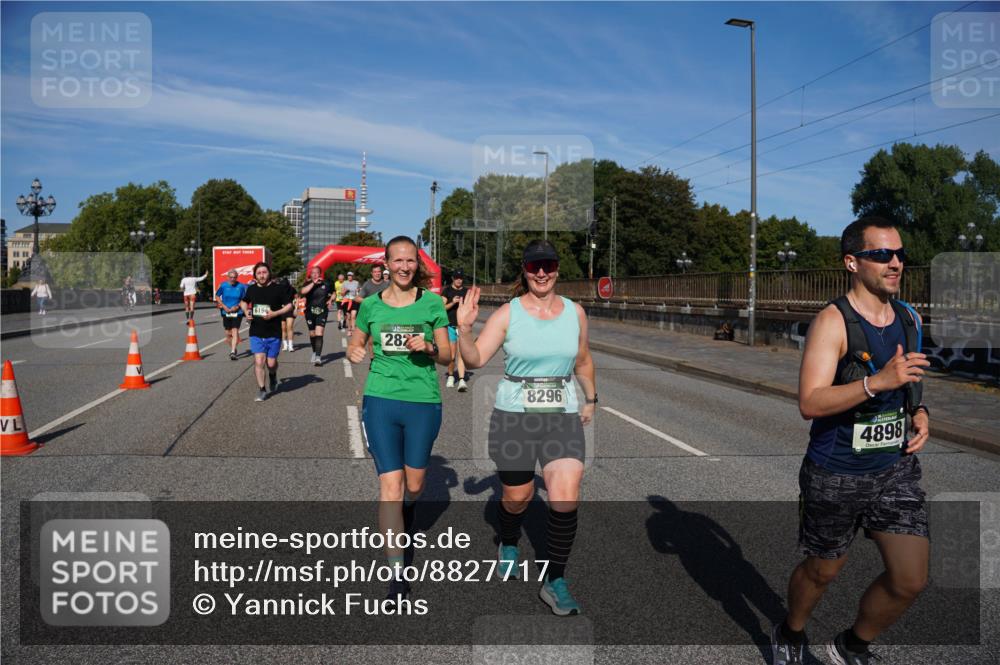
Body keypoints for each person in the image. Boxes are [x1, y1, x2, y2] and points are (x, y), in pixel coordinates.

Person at [771, 216, 931, 665]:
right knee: (823, 571)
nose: (895, 262)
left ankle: (851, 646)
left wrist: (919, 412)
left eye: (899, 254)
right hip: (836, 472)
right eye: (882, 255)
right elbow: (811, 402)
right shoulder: (832, 322)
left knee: (909, 579)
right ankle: (791, 630)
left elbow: (909, 382)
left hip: (895, 469)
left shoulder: (909, 316)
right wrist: (875, 383)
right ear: (852, 262)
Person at [456, 239, 596, 616]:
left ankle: (555, 580)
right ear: (525, 270)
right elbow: (476, 359)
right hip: (514, 416)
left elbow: (582, 359)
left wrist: (591, 397)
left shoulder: (576, 313)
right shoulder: (508, 313)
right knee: (516, 497)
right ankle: (508, 540)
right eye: (534, 266)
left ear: (557, 268)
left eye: (547, 264)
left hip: (562, 416)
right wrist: (465, 331)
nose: (541, 272)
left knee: (566, 494)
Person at [347, 236, 451, 606]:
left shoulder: (433, 303)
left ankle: (411, 510)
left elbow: (448, 357)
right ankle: (396, 576)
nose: (404, 267)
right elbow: (355, 343)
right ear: (386, 264)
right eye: (397, 261)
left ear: (417, 264)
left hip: (423, 402)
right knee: (390, 487)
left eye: (410, 261)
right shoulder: (371, 306)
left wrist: (430, 347)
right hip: (381, 401)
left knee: (415, 486)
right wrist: (355, 350)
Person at [240, 263, 293, 402]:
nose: (262, 275)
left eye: (264, 272)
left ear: (269, 273)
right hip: (256, 331)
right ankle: (262, 389)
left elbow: (289, 305)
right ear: (255, 276)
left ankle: (273, 375)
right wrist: (246, 312)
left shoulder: (278, 289)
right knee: (259, 361)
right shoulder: (251, 289)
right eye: (259, 273)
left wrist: (275, 313)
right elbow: (243, 302)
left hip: (274, 331)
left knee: (271, 363)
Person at [300, 266, 336, 366]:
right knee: (312, 334)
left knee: (319, 332)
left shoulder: (326, 284)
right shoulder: (308, 283)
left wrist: (331, 300)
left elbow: (333, 293)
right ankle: (314, 352)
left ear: (320, 274)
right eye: (313, 273)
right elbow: (302, 292)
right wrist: (313, 283)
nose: (315, 275)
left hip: (322, 311)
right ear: (310, 275)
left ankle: (318, 358)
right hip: (309, 312)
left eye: (317, 273)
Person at [441, 269, 469, 391]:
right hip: (450, 326)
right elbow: (441, 308)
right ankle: (451, 376)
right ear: (453, 278)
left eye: (461, 278)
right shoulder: (447, 290)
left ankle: (462, 380)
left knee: (461, 354)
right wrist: (453, 302)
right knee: (452, 355)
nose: (459, 280)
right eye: (457, 277)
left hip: (462, 327)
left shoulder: (466, 291)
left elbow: (470, 307)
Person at [215, 269, 248, 360]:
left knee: (235, 330)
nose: (233, 279)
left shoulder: (240, 286)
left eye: (234, 277)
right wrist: (223, 306)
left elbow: (243, 299)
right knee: (228, 334)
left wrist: (237, 306)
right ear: (227, 277)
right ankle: (233, 348)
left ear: (237, 277)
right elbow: (217, 296)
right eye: (231, 277)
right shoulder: (223, 285)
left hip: (237, 312)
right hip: (226, 311)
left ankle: (232, 352)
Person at [279, 276, 297, 352]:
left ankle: (290, 345)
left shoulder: (292, 289)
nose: (284, 286)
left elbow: (296, 298)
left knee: (289, 327)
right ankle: (285, 345)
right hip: (281, 310)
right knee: (283, 329)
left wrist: (296, 309)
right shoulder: (278, 290)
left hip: (290, 309)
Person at [341, 271, 360, 335]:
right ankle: (349, 329)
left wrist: (358, 291)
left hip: (354, 301)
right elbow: (342, 294)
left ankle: (353, 329)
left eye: (351, 275)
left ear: (353, 276)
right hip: (347, 301)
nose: (349, 277)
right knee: (348, 317)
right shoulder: (344, 283)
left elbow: (358, 292)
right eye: (348, 275)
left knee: (353, 316)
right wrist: (345, 291)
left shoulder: (356, 283)